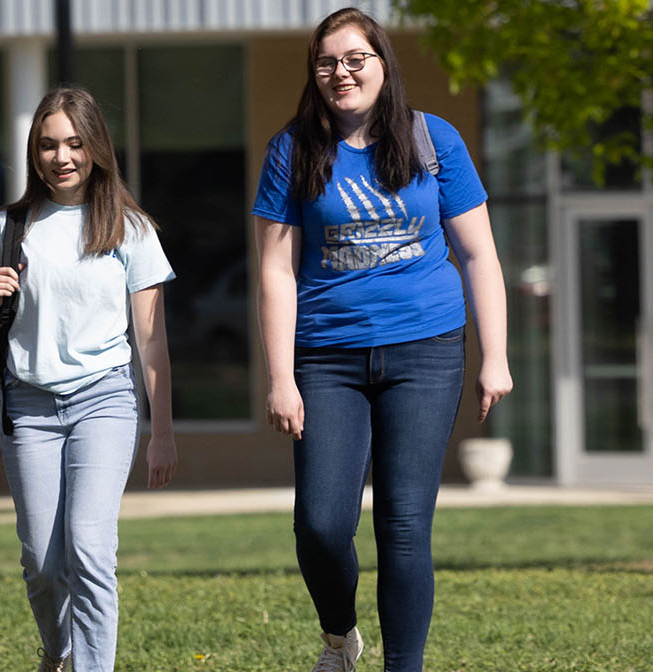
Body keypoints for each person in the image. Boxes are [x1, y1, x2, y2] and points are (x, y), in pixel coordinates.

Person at [251, 8, 512, 672]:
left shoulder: (434, 140)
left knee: (403, 529)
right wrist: (281, 376)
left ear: (382, 64)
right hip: (326, 355)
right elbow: (276, 269)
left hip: (425, 349)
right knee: (321, 523)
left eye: (354, 59)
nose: (341, 73)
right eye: (327, 62)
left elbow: (479, 254)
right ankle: (340, 636)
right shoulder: (293, 150)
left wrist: (496, 358)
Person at [0, 86, 179, 672]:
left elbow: (151, 339)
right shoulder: (10, 224)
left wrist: (163, 431)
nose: (62, 157)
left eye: (75, 144)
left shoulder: (129, 229)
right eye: (49, 145)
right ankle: (57, 653)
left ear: (96, 148)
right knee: (41, 560)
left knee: (88, 547)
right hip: (28, 405)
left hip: (103, 399)